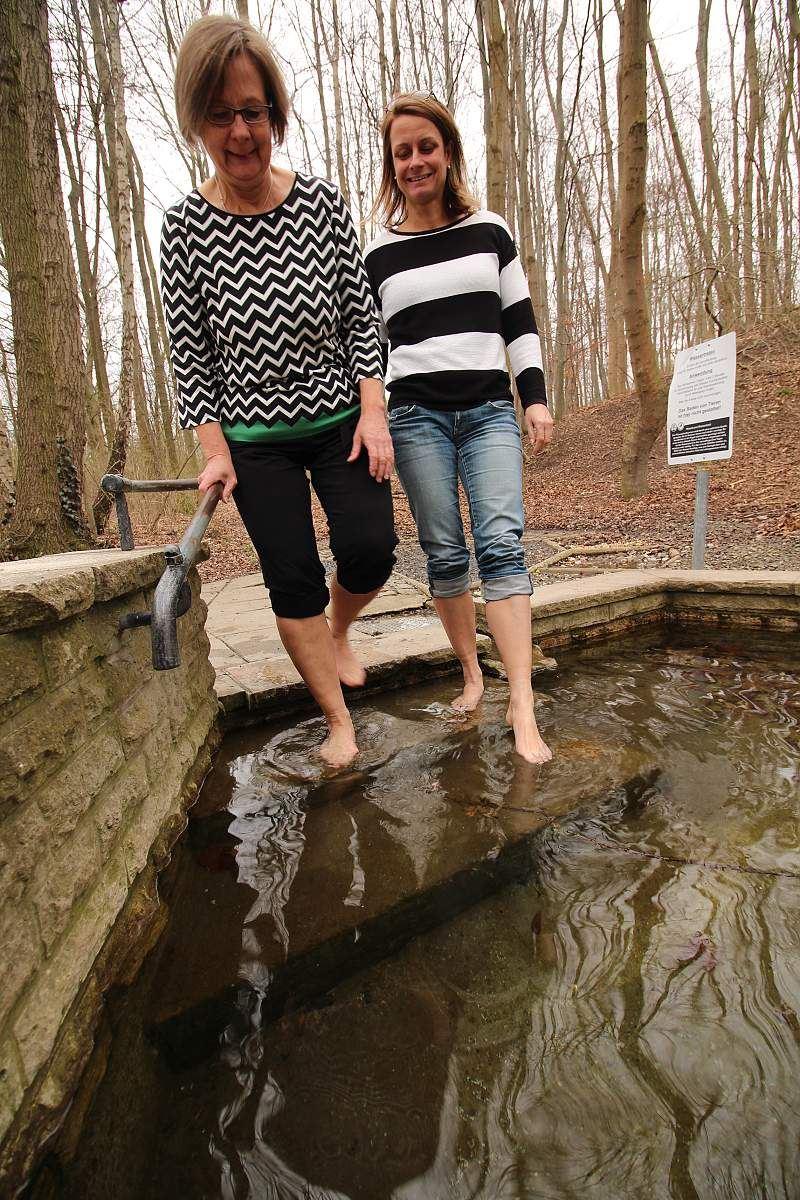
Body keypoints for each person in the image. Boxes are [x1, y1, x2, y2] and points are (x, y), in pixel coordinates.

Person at [161, 16, 396, 768]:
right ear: (199, 124)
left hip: (338, 421)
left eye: (252, 111)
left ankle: (341, 631)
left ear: (275, 117)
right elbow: (191, 354)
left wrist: (373, 411)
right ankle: (338, 721)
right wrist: (214, 452)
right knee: (291, 577)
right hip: (254, 444)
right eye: (220, 114)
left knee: (371, 549)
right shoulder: (184, 230)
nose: (239, 132)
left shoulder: (322, 205)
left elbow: (363, 319)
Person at [364, 94, 554, 764]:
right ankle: (472, 674)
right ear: (392, 165)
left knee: (501, 547)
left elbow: (519, 321)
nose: (416, 161)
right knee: (445, 554)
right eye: (402, 151)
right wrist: (372, 418)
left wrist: (534, 399)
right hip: (414, 419)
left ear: (447, 151)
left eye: (426, 147)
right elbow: (370, 351)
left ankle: (522, 703)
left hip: (487, 414)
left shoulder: (490, 231)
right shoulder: (378, 254)